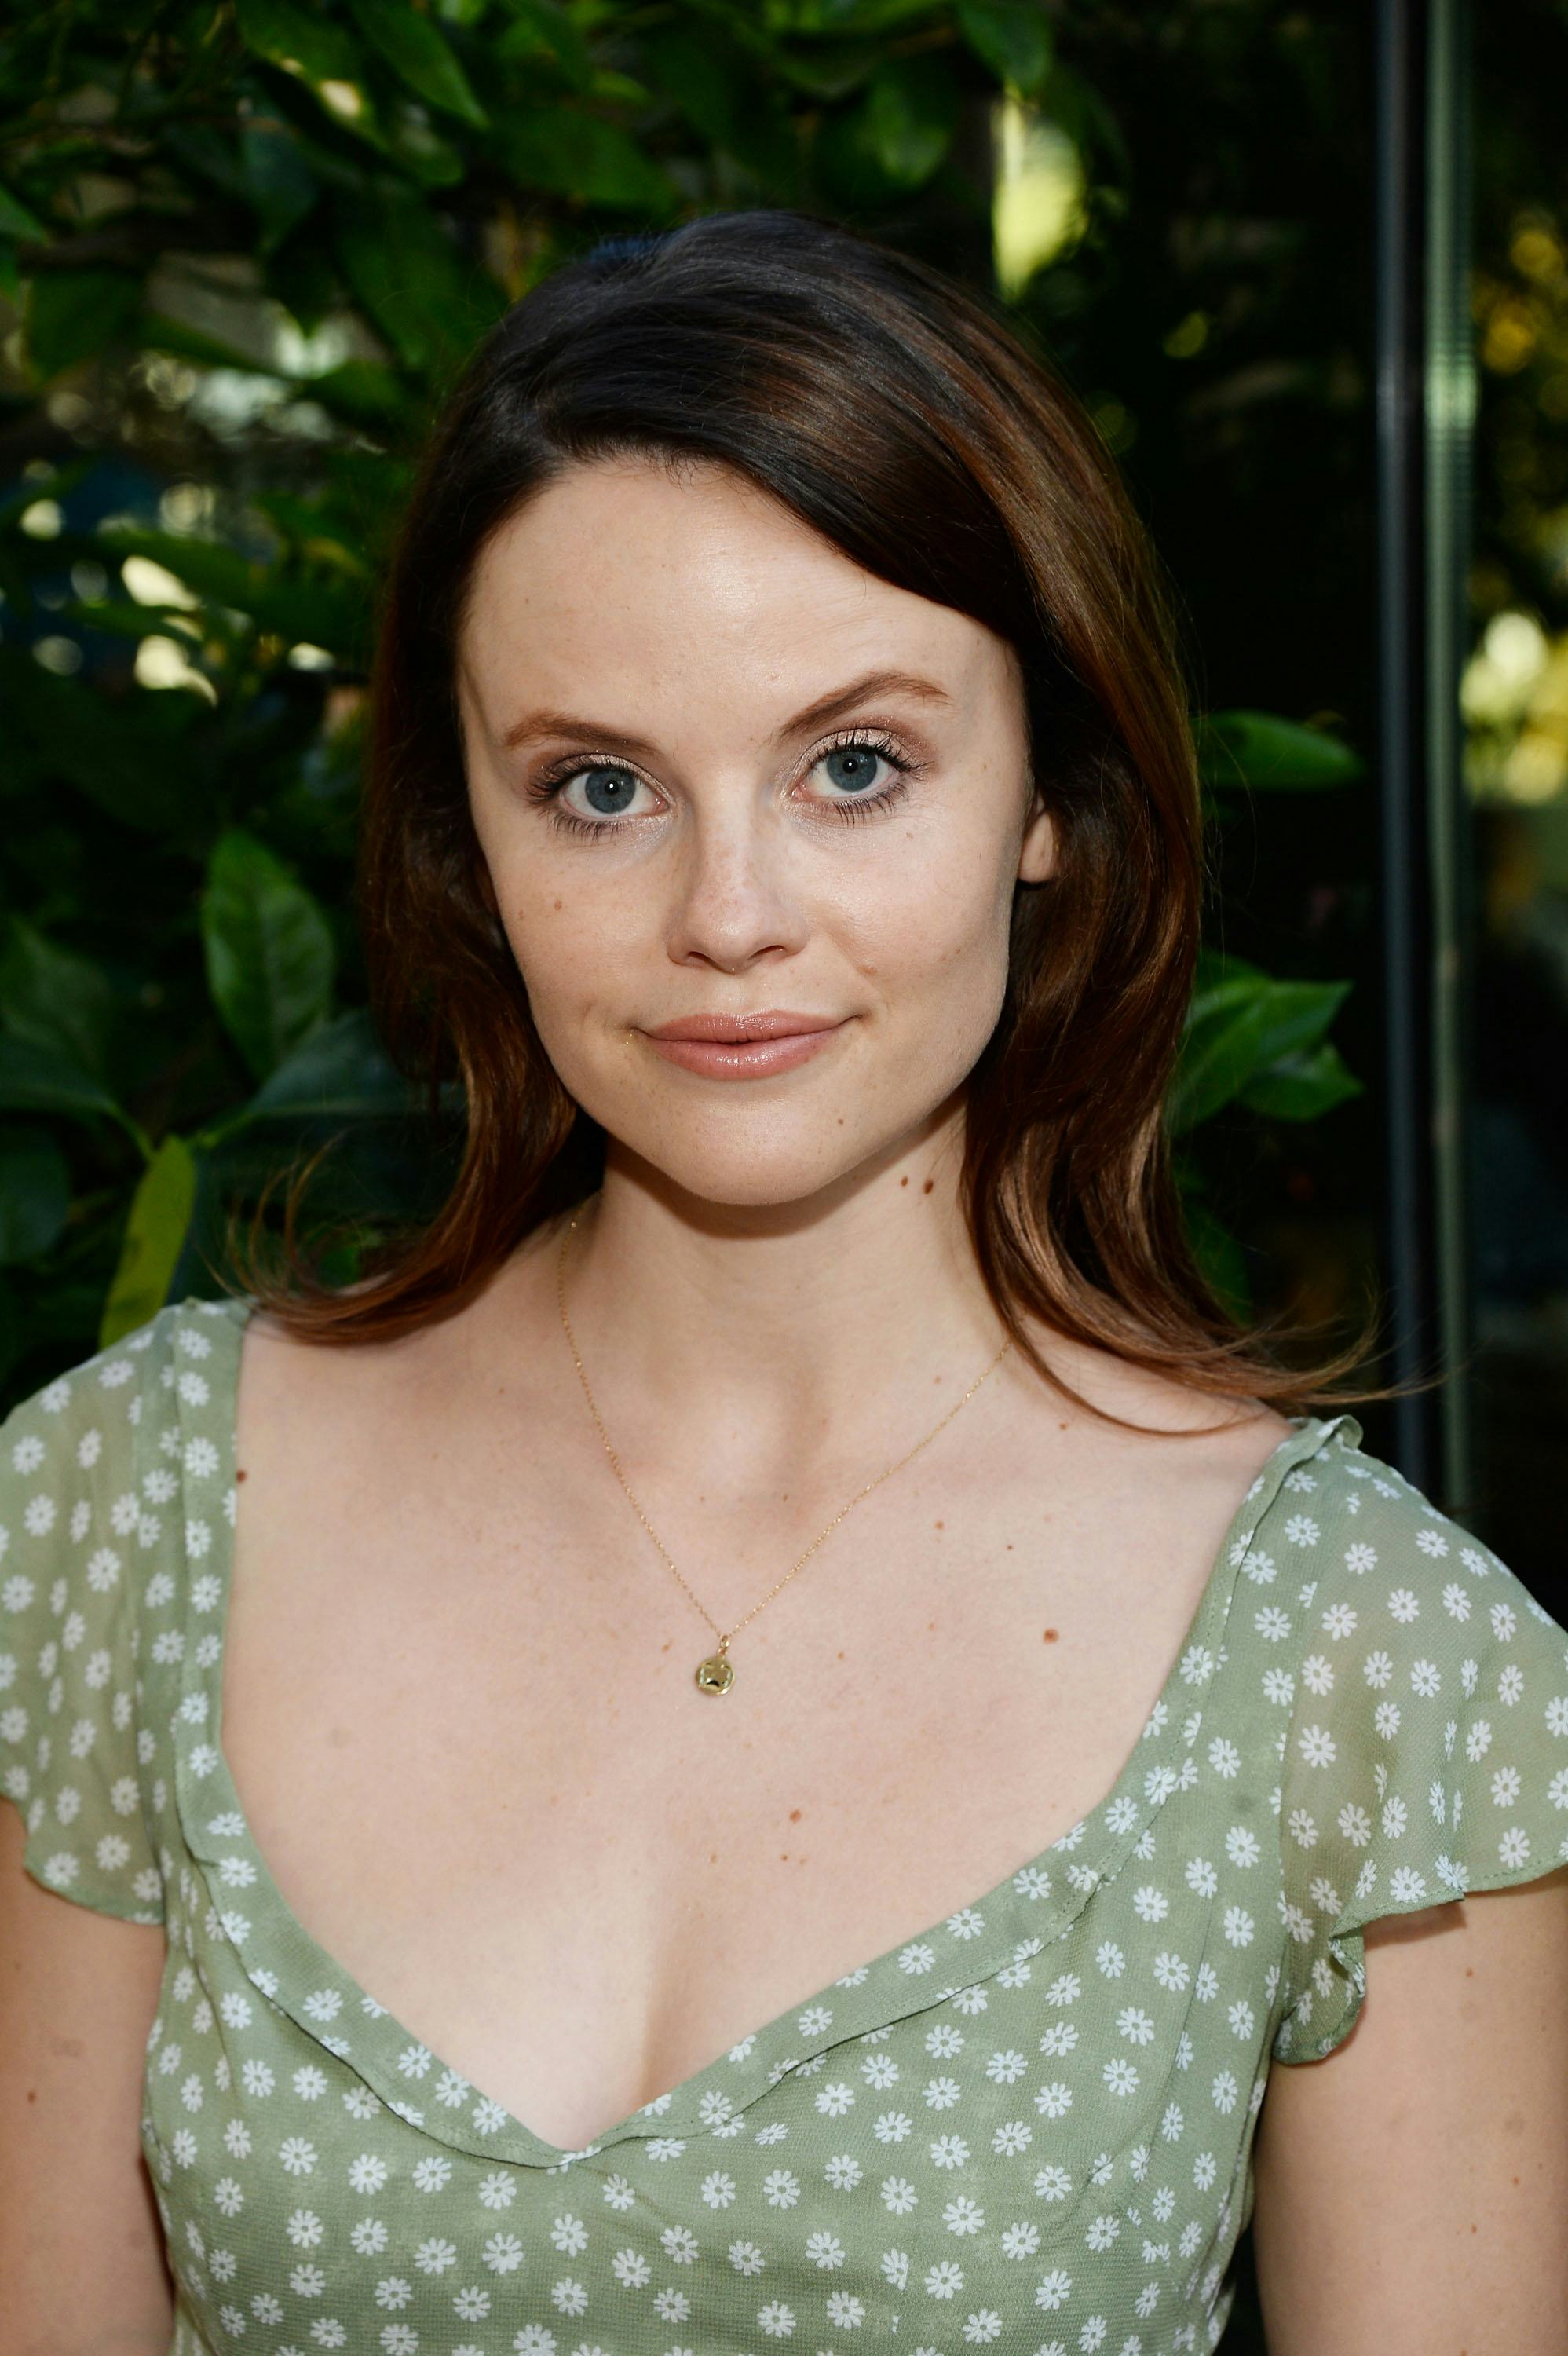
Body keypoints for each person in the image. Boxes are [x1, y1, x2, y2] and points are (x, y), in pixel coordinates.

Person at [3, 209, 1565, 2356]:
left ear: (1048, 793)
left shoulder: (1369, 1663)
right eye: (599, 788)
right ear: (469, 834)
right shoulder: (127, 1513)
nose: (727, 914)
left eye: (854, 766)